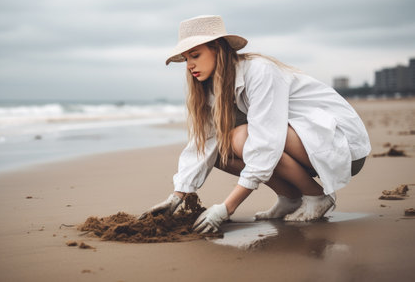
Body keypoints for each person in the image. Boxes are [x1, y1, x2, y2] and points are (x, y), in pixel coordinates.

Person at [139, 15, 371, 233]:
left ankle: (317, 197)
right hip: (303, 145)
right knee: (220, 150)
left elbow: (265, 143)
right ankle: (290, 198)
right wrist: (177, 196)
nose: (189, 65)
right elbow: (204, 145)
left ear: (217, 49)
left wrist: (226, 207)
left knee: (241, 138)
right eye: (186, 59)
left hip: (340, 145)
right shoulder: (211, 89)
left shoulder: (260, 71)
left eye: (195, 55)